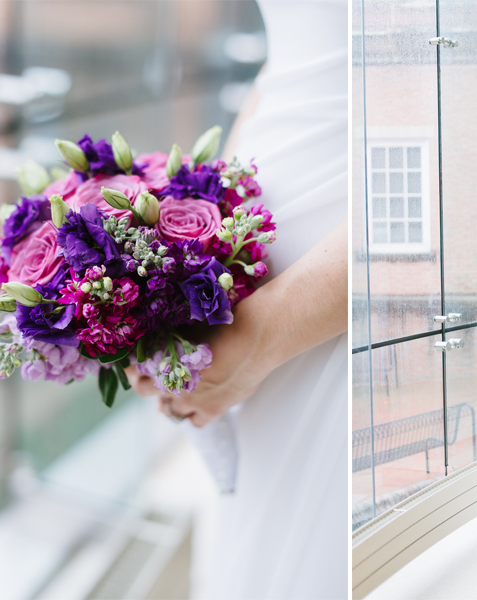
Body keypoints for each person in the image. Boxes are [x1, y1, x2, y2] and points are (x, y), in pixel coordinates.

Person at [129, 1, 348, 597]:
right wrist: (189, 235)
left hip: (332, 283)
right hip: (245, 244)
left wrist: (261, 337)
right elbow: (288, 51)